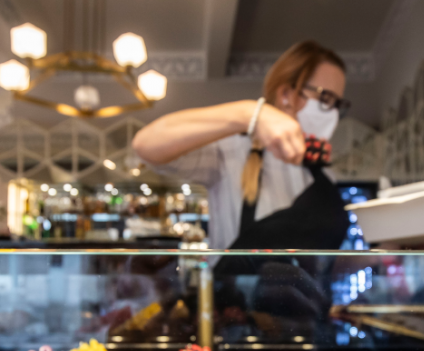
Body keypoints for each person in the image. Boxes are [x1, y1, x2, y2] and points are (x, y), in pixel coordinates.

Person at [132, 40, 351, 255]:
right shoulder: (231, 152)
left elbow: (320, 262)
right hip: (237, 291)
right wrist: (250, 113)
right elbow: (146, 144)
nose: (332, 113)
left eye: (337, 104)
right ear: (286, 95)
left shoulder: (324, 176)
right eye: (325, 98)